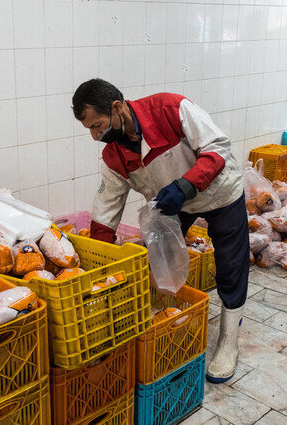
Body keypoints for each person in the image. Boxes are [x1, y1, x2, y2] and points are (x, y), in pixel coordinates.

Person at [72, 78, 249, 383]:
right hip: (174, 205)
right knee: (161, 261)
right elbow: (105, 214)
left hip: (219, 191)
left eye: (97, 125)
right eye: (89, 129)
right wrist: (95, 264)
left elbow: (217, 148)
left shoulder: (170, 108)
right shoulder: (113, 156)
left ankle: (229, 342)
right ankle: (166, 321)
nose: (95, 135)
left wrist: (186, 185)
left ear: (117, 108)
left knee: (230, 266)